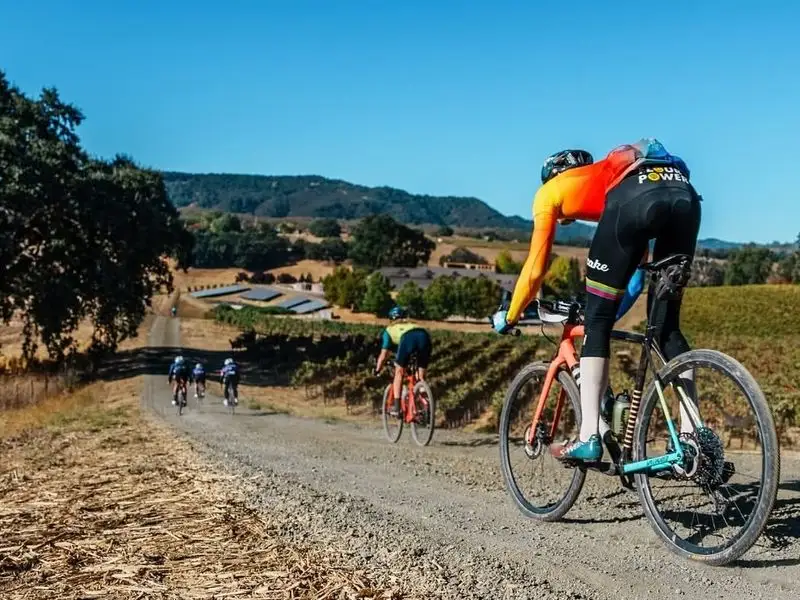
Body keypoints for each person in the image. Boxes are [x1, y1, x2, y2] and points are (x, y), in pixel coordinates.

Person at [492, 139, 701, 462]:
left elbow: (535, 268)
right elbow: (634, 279)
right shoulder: (609, 176)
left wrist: (511, 314)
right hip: (684, 195)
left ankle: (589, 434)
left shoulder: (550, 191)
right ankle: (694, 439)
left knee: (597, 325)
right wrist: (607, 310)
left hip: (636, 200)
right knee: (666, 330)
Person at [375, 306, 432, 416]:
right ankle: (426, 404)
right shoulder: (412, 323)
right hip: (424, 336)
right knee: (420, 377)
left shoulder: (389, 329)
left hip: (408, 339)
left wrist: (377, 369)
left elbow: (383, 354)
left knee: (399, 372)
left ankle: (397, 408)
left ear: (391, 319)